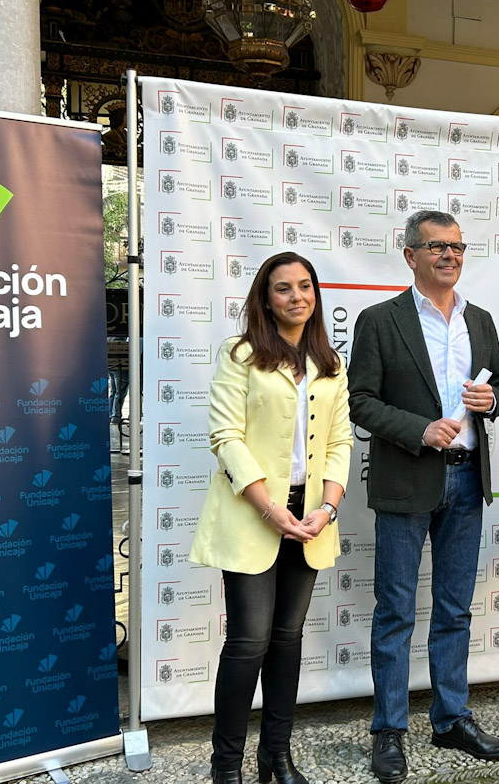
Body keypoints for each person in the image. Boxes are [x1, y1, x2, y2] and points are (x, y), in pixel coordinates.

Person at [348, 210, 499, 784]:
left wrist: (493, 401)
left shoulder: (481, 320)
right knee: (395, 610)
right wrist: (419, 429)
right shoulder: (379, 320)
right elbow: (361, 401)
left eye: (457, 246)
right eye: (437, 246)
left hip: (467, 480)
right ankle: (389, 730)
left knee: (454, 609)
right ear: (410, 255)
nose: (449, 255)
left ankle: (451, 719)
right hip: (407, 478)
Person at [190, 252, 353, 784]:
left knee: (287, 638)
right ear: (265, 298)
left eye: (305, 286)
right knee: (248, 642)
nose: (296, 296)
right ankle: (226, 768)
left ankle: (276, 758)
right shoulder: (240, 355)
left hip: (311, 519)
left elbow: (340, 442)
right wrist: (269, 508)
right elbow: (226, 438)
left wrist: (327, 508)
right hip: (252, 513)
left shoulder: (330, 363)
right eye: (283, 288)